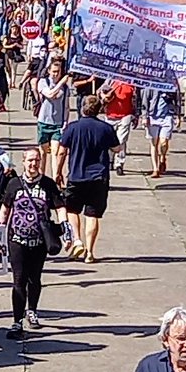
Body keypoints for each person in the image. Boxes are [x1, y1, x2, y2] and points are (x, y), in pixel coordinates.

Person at [0, 147, 65, 340]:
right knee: (18, 280)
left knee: (34, 279)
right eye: (30, 161)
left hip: (39, 241)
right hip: (17, 240)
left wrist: (66, 229)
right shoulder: (14, 184)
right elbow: (5, 209)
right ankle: (16, 321)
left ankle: (32, 311)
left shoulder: (48, 185)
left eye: (36, 160)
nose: (33, 164)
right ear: (23, 161)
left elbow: (60, 207)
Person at [54, 94, 120, 263]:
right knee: (93, 214)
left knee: (72, 210)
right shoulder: (106, 128)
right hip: (99, 177)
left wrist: (58, 171)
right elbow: (117, 148)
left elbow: (62, 151)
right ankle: (90, 252)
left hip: (76, 175)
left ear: (82, 108)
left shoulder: (72, 128)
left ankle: (77, 240)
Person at [35, 56, 70, 176]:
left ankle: (55, 178)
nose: (55, 74)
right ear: (49, 71)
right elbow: (49, 94)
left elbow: (66, 106)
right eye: (53, 71)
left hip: (57, 123)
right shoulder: (43, 82)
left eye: (58, 72)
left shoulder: (65, 88)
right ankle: (42, 177)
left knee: (55, 152)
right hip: (44, 121)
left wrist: (65, 121)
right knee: (43, 152)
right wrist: (61, 82)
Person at [99, 76, 137, 176]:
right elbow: (100, 92)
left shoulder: (132, 82)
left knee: (121, 140)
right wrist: (104, 96)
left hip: (125, 115)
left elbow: (136, 99)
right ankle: (110, 159)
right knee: (109, 140)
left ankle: (119, 164)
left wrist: (136, 115)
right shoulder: (111, 80)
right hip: (110, 115)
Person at [141, 86, 181, 178]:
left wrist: (178, 116)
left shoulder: (171, 85)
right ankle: (155, 169)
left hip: (167, 116)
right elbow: (145, 101)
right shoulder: (150, 85)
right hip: (152, 116)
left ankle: (162, 157)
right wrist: (144, 117)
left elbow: (177, 101)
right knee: (154, 143)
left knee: (164, 142)